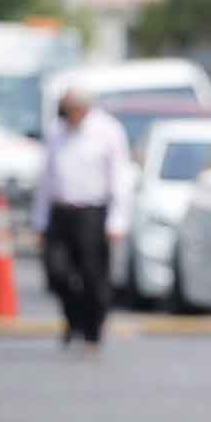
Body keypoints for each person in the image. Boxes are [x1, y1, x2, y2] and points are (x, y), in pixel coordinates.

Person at [32, 88, 131, 350]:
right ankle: (73, 318)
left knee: (93, 275)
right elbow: (46, 177)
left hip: (92, 212)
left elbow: (120, 177)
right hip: (60, 211)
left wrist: (117, 219)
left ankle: (92, 330)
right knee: (56, 271)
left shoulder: (108, 131)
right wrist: (40, 219)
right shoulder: (56, 131)